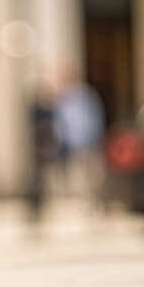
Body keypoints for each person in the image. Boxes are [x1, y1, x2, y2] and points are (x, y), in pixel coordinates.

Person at [50, 64, 105, 207]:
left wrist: (94, 137)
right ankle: (72, 199)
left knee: (88, 173)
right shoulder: (62, 97)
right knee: (67, 172)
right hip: (67, 143)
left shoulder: (85, 95)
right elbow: (59, 121)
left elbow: (94, 118)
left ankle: (91, 200)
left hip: (85, 141)